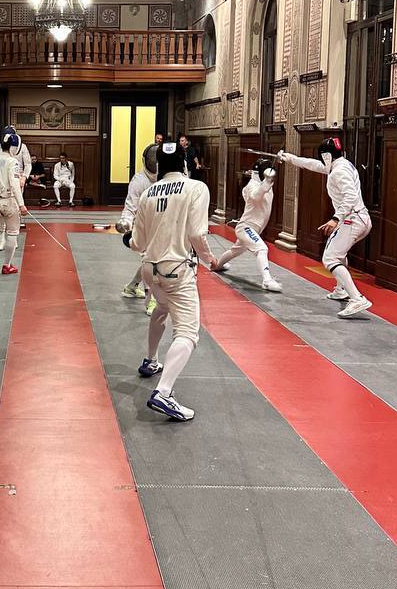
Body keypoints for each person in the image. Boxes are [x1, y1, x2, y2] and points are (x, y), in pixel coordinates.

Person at [123, 138, 216, 422]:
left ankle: (151, 360)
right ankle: (163, 392)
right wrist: (209, 259)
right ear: (184, 164)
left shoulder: (148, 193)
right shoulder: (196, 188)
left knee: (162, 308)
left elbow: (138, 244)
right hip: (177, 271)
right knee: (187, 333)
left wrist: (127, 238)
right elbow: (197, 234)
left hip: (150, 271)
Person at [279, 136, 372, 318]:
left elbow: (351, 196)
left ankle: (357, 298)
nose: (322, 160)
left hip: (352, 219)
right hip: (359, 218)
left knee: (330, 258)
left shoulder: (339, 172)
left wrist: (336, 218)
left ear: (327, 156)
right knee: (339, 254)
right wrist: (290, 158)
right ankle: (341, 290)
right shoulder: (341, 165)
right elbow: (314, 165)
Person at [211, 158, 283, 292]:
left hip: (254, 228)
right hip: (246, 227)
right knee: (262, 249)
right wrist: (266, 182)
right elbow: (256, 196)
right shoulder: (252, 186)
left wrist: (277, 161)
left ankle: (217, 265)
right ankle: (267, 281)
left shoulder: (264, 184)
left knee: (236, 250)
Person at [118, 144, 158, 305]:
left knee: (152, 260)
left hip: (160, 225)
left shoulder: (167, 177)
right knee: (151, 260)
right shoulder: (139, 181)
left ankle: (131, 287)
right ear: (145, 161)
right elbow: (130, 206)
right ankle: (151, 300)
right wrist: (125, 222)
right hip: (142, 227)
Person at [0, 133, 25, 275]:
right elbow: (15, 185)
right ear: (14, 147)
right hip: (9, 201)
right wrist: (21, 204)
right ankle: (7, 265)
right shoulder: (13, 162)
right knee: (12, 232)